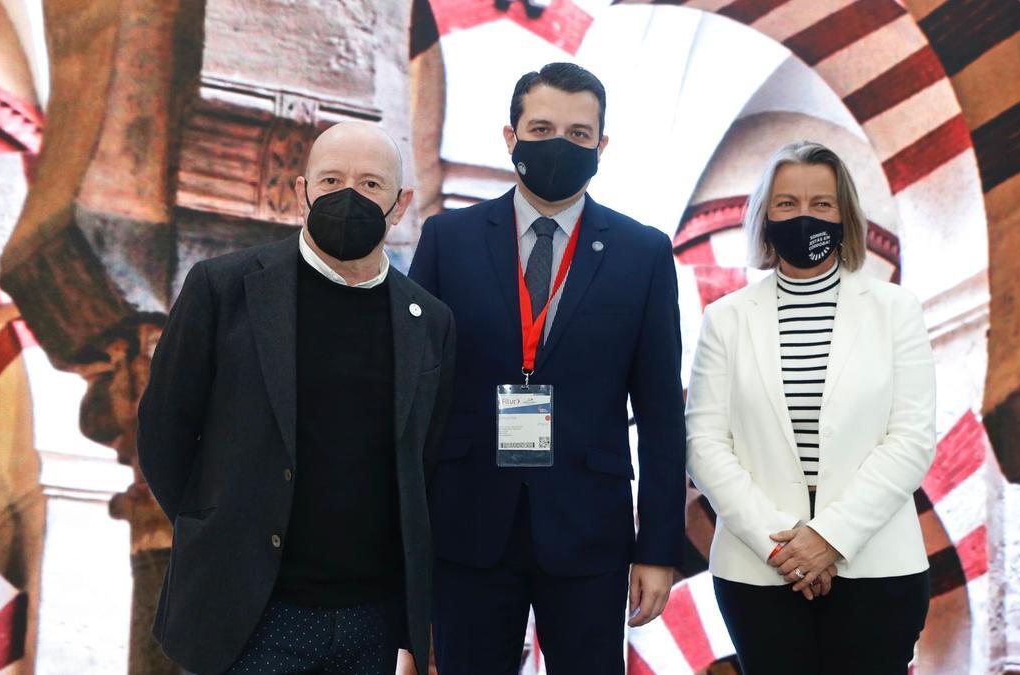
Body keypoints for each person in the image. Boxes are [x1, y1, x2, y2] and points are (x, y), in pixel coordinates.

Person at [137, 121, 454, 675]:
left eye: (370, 184)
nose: (348, 196)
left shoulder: (429, 321)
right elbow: (164, 430)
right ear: (302, 191)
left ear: (401, 205)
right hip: (249, 611)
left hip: (368, 622)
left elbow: (427, 462)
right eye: (331, 179)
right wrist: (215, 525)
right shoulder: (223, 288)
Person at [408, 62, 686, 674]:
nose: (561, 143)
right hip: (466, 523)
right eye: (541, 127)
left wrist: (659, 548)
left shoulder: (643, 253)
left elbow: (663, 413)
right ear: (510, 138)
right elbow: (414, 392)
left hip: (589, 529)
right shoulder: (446, 240)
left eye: (579, 134)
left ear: (601, 147)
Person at [685, 140, 936, 674]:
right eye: (787, 204)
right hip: (759, 567)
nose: (805, 216)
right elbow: (705, 445)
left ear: (844, 215)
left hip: (878, 566)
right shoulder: (726, 318)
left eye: (821, 204)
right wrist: (783, 548)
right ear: (764, 216)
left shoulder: (895, 311)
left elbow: (910, 439)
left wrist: (829, 538)